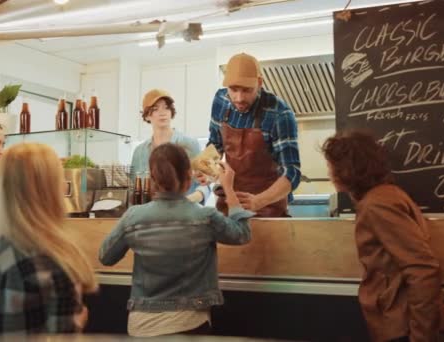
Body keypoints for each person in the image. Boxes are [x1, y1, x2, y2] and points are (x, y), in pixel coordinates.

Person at [100, 143, 253, 337]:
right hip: (188, 324)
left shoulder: (133, 217)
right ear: (189, 178)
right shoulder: (205, 217)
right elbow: (242, 234)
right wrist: (229, 189)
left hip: (141, 326)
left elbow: (105, 256)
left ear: (152, 181)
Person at [0, 143, 97, 335]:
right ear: (51, 189)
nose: (64, 185)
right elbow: (61, 337)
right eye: (61, 178)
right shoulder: (54, 260)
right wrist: (78, 321)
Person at [321, 130, 444, 342]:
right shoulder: (385, 196)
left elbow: (423, 269)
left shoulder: (377, 204)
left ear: (348, 169)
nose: (329, 173)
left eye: (331, 166)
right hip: (399, 323)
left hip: (402, 327)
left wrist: (422, 337)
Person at [206, 52, 301, 217]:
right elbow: (216, 144)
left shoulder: (280, 114)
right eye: (233, 90)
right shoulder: (220, 100)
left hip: (268, 207)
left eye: (247, 90)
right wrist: (207, 169)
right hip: (230, 203)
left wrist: (258, 201)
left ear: (259, 83)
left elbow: (292, 173)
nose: (239, 98)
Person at [132, 89, 210, 204]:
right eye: (155, 109)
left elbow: (205, 184)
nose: (162, 113)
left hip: (184, 215)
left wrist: (191, 200)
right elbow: (134, 189)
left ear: (171, 112)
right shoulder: (139, 152)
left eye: (166, 107)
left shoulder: (189, 144)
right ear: (147, 115)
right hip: (151, 216)